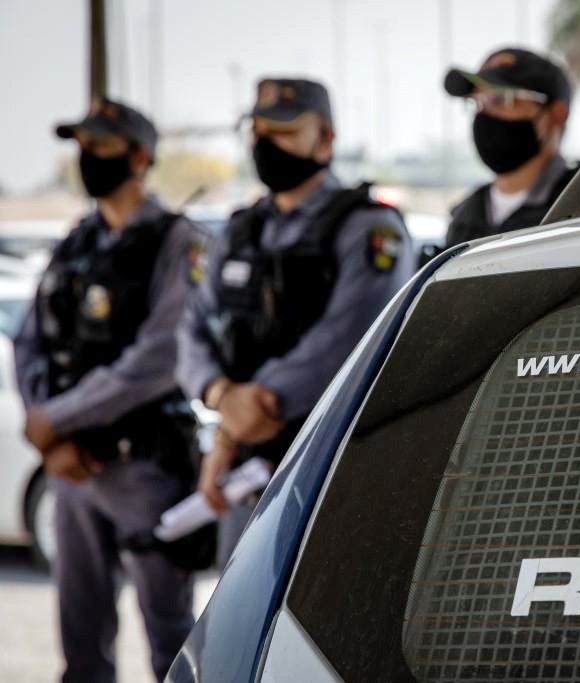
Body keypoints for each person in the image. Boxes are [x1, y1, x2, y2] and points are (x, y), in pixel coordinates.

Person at [176, 77, 414, 565]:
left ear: (325, 139)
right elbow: (193, 328)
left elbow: (349, 339)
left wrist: (246, 413)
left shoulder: (367, 227)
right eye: (258, 131)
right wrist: (220, 395)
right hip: (244, 465)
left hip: (331, 463)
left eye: (283, 131)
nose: (265, 143)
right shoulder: (240, 230)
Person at [14, 97, 202, 683]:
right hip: (72, 469)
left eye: (100, 145)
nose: (87, 156)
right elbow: (30, 340)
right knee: (81, 644)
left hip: (144, 467)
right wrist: (50, 432)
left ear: (139, 157)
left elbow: (161, 355)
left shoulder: (177, 241)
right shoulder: (78, 241)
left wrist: (59, 417)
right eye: (82, 145)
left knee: (172, 644)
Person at [443, 47, 579, 247]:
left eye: (499, 99)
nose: (483, 115)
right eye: (477, 101)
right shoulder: (464, 217)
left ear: (556, 113)